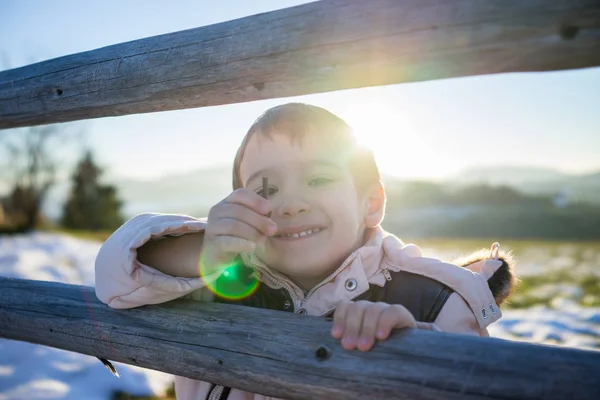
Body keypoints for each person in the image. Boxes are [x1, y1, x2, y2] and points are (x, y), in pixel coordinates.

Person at [95, 103, 516, 400]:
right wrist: (204, 251)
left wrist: (414, 345)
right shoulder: (224, 279)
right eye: (266, 188)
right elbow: (114, 278)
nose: (291, 203)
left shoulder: (432, 298)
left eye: (317, 180)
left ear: (370, 203)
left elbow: (476, 382)